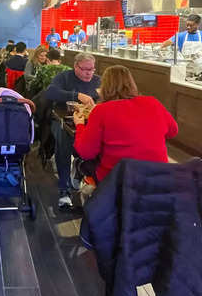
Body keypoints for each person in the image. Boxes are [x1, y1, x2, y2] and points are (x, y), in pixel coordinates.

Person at [72, 65, 178, 183]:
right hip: (158, 176)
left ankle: (78, 179)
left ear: (104, 87)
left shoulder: (101, 110)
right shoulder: (152, 102)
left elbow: (86, 152)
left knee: (82, 161)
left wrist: (80, 125)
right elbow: (173, 131)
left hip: (118, 180)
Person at [45, 52, 100, 209]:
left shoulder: (97, 81)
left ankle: (88, 178)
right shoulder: (65, 77)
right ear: (76, 67)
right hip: (62, 120)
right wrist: (77, 95)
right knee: (63, 145)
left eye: (92, 69)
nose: (89, 73)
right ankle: (64, 190)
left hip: (89, 123)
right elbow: (50, 92)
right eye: (85, 69)